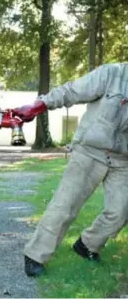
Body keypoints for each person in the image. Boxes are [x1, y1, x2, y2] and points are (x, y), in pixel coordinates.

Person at [11, 63, 128, 277]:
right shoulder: (113, 74)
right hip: (90, 150)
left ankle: (87, 245)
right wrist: (40, 105)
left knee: (121, 211)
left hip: (122, 159)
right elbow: (72, 91)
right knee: (65, 206)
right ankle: (35, 255)